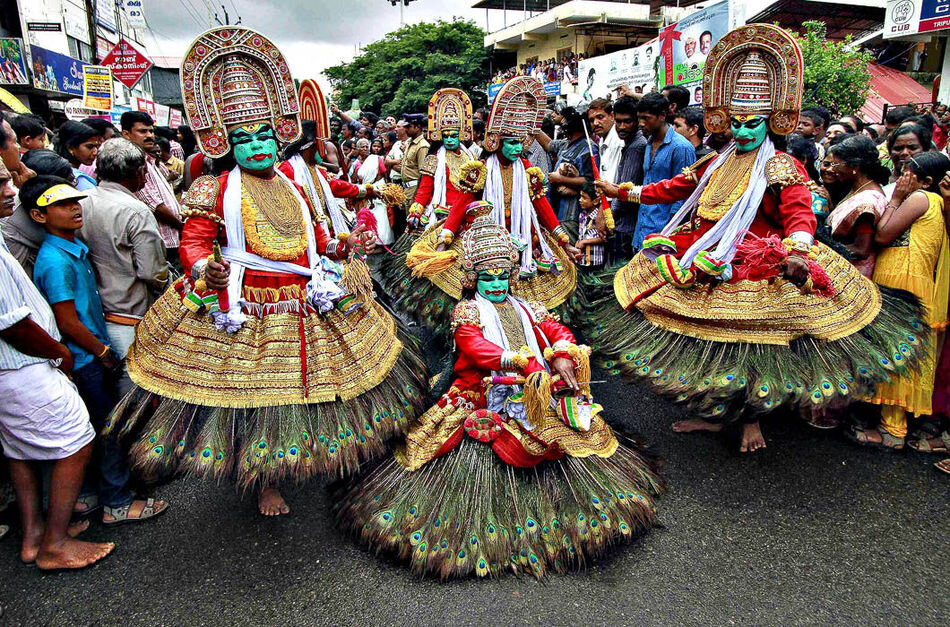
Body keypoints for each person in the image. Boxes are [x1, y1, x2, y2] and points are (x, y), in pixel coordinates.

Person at [105, 26, 427, 517]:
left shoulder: (295, 181)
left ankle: (307, 460)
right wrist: (204, 269)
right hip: (246, 303)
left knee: (305, 389)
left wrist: (343, 247)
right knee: (258, 403)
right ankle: (263, 483)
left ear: (278, 137)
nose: (256, 146)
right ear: (226, 144)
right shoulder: (213, 189)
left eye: (262, 136)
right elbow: (193, 243)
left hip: (301, 298)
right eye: (243, 139)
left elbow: (315, 238)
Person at [586, 24, 926, 454]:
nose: (744, 132)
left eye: (754, 125)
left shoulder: (781, 165)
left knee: (751, 349)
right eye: (738, 123)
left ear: (770, 122)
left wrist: (798, 250)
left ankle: (751, 422)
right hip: (704, 249)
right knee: (717, 348)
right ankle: (717, 415)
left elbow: (799, 212)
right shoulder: (716, 159)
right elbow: (676, 187)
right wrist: (625, 192)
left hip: (758, 261)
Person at [334, 203, 660, 579]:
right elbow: (476, 348)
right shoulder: (467, 312)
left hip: (534, 387)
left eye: (502, 277)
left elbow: (556, 331)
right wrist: (518, 362)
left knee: (570, 430)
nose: (495, 284)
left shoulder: (528, 306)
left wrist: (564, 353)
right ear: (473, 278)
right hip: (481, 390)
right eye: (487, 277)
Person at [25, 175, 170, 526]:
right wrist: (103, 350)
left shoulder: (73, 248)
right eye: (61, 204)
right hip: (87, 356)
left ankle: (89, 497)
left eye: (75, 201)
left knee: (100, 427)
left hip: (90, 351)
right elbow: (68, 321)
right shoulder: (56, 261)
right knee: (109, 429)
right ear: (39, 216)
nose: (74, 208)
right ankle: (118, 502)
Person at [393, 76, 579, 338]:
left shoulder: (528, 170)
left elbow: (542, 206)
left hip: (525, 238)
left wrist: (563, 241)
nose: (517, 147)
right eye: (511, 142)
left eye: (520, 142)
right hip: (484, 239)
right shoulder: (479, 169)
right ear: (496, 141)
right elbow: (461, 204)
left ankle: (525, 333)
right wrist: (446, 237)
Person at [0, 161, 115, 570]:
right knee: (77, 440)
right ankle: (54, 545)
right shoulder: (54, 259)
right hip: (28, 364)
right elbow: (14, 323)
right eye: (0, 182)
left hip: (26, 365)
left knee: (20, 452)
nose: (10, 187)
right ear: (40, 216)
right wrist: (65, 352)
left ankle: (35, 535)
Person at [851, 152, 950, 450]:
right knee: (895, 355)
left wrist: (897, 198)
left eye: (908, 173)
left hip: (903, 281)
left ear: (926, 181)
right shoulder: (934, 201)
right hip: (903, 279)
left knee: (898, 357)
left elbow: (883, 235)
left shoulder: (921, 198)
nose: (901, 177)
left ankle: (893, 432)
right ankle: (890, 426)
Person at [76, 138, 168, 395]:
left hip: (92, 315)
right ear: (138, 173)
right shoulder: (136, 211)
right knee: (132, 396)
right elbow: (153, 272)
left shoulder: (81, 201)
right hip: (129, 315)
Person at [279, 79, 379, 243]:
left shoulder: (311, 168)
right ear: (311, 145)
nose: (324, 149)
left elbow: (334, 185)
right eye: (321, 143)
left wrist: (366, 190)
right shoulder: (288, 170)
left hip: (323, 235)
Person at [405, 88, 478, 232]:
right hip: (442, 214)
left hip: (468, 214)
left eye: (453, 135)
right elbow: (424, 189)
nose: (450, 139)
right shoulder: (434, 159)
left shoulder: (472, 158)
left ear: (461, 135)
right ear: (440, 136)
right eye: (446, 136)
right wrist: (416, 212)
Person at [629, 92, 695, 250]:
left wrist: (669, 233)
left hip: (664, 234)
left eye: (646, 118)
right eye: (639, 118)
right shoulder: (649, 143)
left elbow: (683, 195)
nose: (641, 123)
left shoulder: (681, 147)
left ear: (662, 116)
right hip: (642, 230)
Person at [821, 135, 890, 277]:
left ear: (854, 167)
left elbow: (861, 249)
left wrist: (820, 250)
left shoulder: (868, 201)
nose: (833, 170)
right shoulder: (856, 189)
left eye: (836, 164)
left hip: (852, 276)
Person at [121, 111, 184, 264]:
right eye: (142, 131)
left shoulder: (150, 159)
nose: (149, 135)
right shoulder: (134, 163)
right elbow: (155, 205)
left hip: (172, 236)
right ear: (126, 134)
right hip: (162, 238)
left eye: (151, 131)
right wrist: (182, 226)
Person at [594, 96, 647, 261]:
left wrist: (607, 218)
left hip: (626, 226)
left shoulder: (636, 147)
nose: (621, 127)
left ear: (637, 120)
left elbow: (624, 193)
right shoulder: (630, 144)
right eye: (618, 122)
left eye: (627, 121)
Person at [548, 106, 599, 236]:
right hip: (557, 210)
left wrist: (560, 179)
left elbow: (591, 180)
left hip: (572, 214)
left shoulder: (589, 148)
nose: (562, 128)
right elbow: (549, 145)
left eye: (564, 125)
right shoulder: (566, 143)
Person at [54, 121, 99, 191]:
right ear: (71, 148)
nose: (95, 152)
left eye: (97, 146)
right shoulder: (77, 181)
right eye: (90, 147)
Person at [587, 98, 623, 185]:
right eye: (591, 120)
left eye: (600, 117)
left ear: (612, 116)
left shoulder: (618, 140)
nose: (595, 123)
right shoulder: (602, 140)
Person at [886, 124, 931, 190]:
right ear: (890, 152)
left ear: (925, 150)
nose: (905, 153)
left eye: (912, 148)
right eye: (898, 148)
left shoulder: (934, 183)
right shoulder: (879, 181)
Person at [576, 181, 607, 270]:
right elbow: (581, 234)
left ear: (596, 201)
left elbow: (603, 238)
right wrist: (578, 242)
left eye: (584, 198)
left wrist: (584, 242)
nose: (580, 200)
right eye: (580, 196)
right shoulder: (582, 215)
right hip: (583, 259)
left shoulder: (599, 218)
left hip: (595, 260)